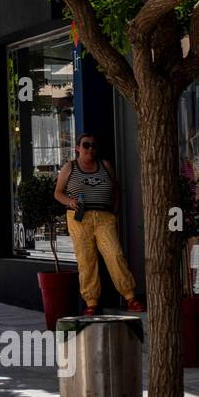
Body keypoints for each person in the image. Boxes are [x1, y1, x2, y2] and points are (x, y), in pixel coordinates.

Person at [54, 133, 141, 314]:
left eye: (93, 146)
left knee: (115, 254)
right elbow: (58, 193)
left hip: (104, 217)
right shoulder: (70, 167)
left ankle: (130, 297)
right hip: (80, 218)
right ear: (77, 148)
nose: (90, 149)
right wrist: (69, 202)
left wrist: (115, 209)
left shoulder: (105, 165)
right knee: (86, 260)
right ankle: (91, 302)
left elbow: (116, 188)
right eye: (86, 145)